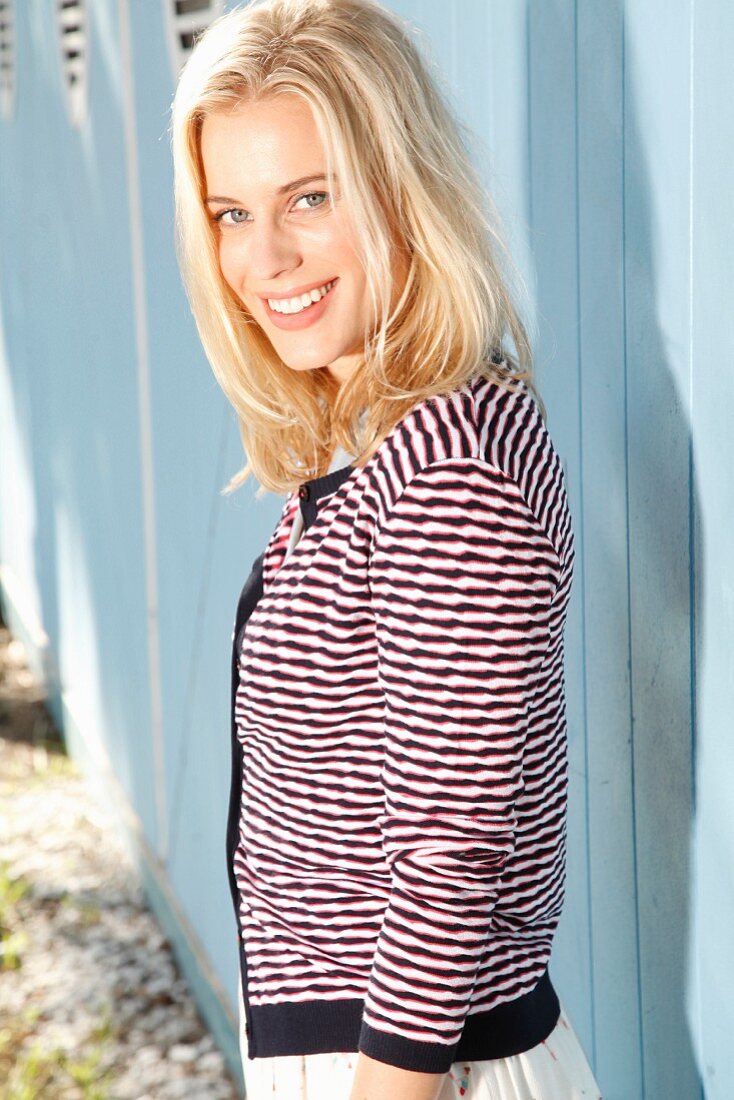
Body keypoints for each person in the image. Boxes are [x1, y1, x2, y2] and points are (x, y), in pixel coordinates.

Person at [170, 1, 603, 1097]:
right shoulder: (377, 438)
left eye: (308, 198)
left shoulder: (447, 464)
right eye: (230, 212)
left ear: (399, 188)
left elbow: (445, 856)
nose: (263, 258)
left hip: (410, 1069)